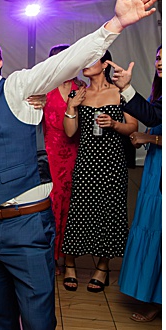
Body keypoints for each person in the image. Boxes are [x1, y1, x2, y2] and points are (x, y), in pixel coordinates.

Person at [0, 0, 157, 330]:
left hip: (24, 228)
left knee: (37, 326)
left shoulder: (18, 87)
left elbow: (63, 63)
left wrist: (115, 23)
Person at [61, 50, 136, 293]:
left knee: (110, 211)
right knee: (79, 209)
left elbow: (133, 127)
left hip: (112, 162)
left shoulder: (119, 92)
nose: (84, 64)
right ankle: (69, 263)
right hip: (86, 161)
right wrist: (72, 107)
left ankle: (102, 267)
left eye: (91, 60)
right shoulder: (78, 92)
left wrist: (114, 124)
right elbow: (70, 132)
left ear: (105, 65)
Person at [110, 50, 163, 330]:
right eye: (158, 57)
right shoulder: (161, 92)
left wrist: (149, 139)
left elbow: (155, 121)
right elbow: (154, 114)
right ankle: (158, 301)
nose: (159, 61)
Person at [37, 44, 83, 288]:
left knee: (72, 206)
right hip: (50, 155)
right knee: (50, 206)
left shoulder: (81, 88)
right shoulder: (44, 90)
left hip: (76, 154)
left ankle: (68, 257)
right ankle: (50, 257)